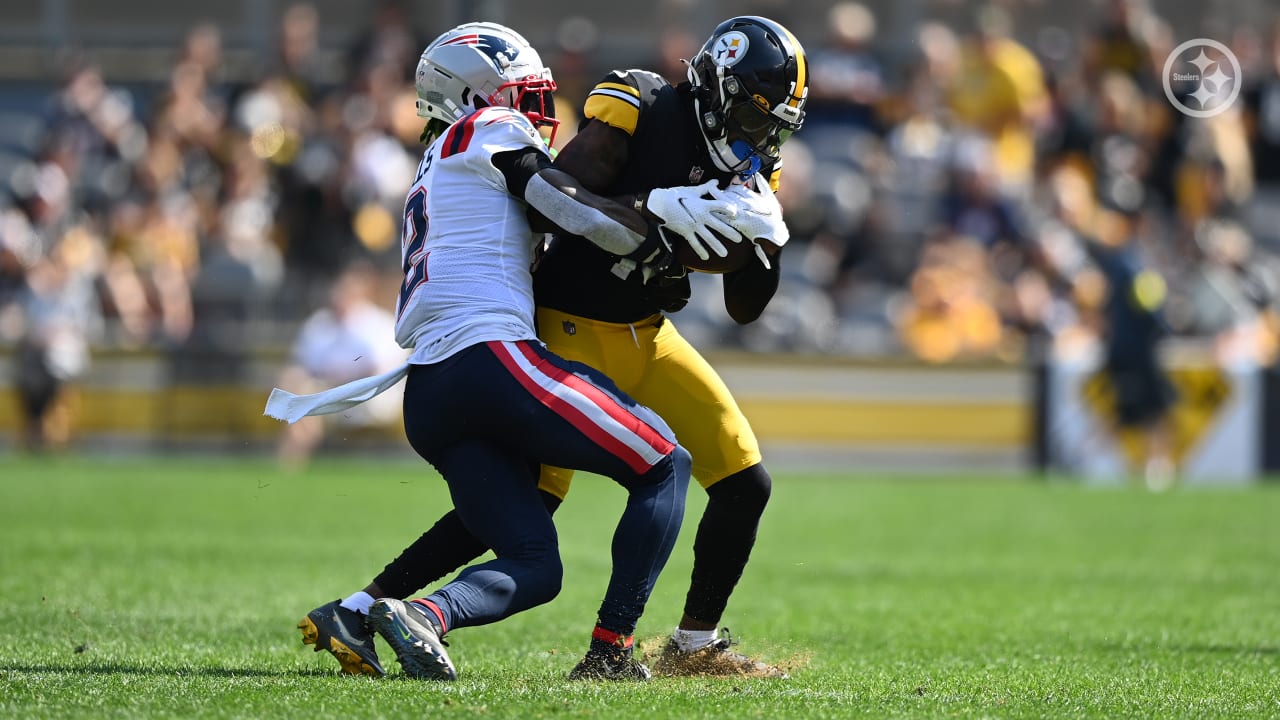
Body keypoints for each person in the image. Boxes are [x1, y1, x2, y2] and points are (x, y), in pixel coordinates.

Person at [297, 16, 806, 680]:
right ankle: (598, 648)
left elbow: (746, 307)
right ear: (714, 83)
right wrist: (654, 214)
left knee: (744, 482)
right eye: (748, 109)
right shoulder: (641, 101)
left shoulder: (753, 158)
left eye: (771, 121)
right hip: (565, 325)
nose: (756, 131)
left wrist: (766, 242)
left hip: (647, 335)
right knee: (535, 508)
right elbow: (557, 198)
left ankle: (693, 644)